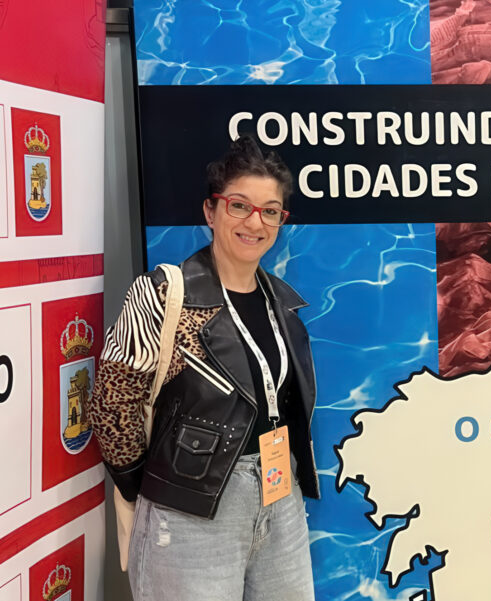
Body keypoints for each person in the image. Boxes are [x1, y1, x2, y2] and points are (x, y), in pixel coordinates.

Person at [88, 135, 319, 600]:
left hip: (280, 499)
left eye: (270, 211)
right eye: (240, 205)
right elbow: (112, 404)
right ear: (211, 211)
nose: (255, 222)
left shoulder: (282, 304)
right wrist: (156, 491)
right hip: (190, 514)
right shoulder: (163, 295)